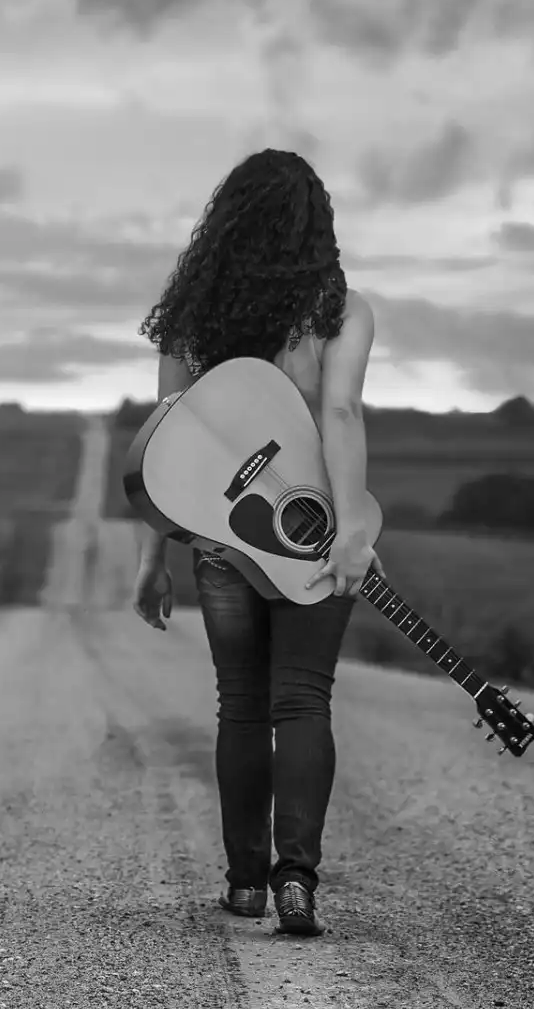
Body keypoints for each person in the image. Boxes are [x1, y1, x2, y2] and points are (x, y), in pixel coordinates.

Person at [128, 148, 377, 938]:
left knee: (241, 705)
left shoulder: (195, 313)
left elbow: (168, 449)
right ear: (317, 226)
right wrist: (345, 530)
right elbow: (339, 417)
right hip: (310, 530)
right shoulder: (342, 310)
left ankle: (245, 885)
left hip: (221, 542)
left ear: (226, 220)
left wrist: (152, 558)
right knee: (302, 699)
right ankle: (296, 879)